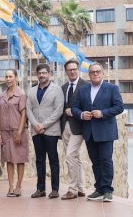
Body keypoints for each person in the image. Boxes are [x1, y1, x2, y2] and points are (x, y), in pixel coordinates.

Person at [72, 62, 124, 202]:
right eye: (92, 72)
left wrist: (103, 113)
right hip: (89, 132)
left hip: (106, 132)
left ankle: (107, 190)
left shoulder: (112, 88)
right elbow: (74, 108)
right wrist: (82, 115)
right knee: (95, 162)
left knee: (106, 161)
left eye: (98, 71)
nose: (95, 74)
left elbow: (119, 107)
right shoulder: (83, 90)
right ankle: (99, 189)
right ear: (88, 75)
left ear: (102, 73)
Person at [26, 63, 64, 199]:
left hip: (50, 130)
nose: (42, 75)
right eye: (39, 73)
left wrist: (44, 125)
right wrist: (36, 125)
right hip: (36, 131)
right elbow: (28, 109)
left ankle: (55, 189)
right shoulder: (31, 91)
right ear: (37, 75)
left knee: (53, 160)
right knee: (39, 160)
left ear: (49, 74)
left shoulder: (57, 89)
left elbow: (59, 110)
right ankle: (40, 189)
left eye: (44, 73)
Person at [0, 69, 28, 197]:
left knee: (20, 159)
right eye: (6, 77)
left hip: (17, 131)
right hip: (5, 132)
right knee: (8, 159)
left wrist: (19, 132)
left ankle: (19, 186)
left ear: (16, 77)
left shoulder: (21, 95)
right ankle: (10, 186)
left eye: (11, 76)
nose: (8, 79)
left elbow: (24, 114)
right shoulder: (2, 95)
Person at [60, 60, 87, 200]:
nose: (72, 72)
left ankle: (72, 189)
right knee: (75, 157)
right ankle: (81, 187)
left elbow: (89, 105)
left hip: (79, 126)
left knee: (70, 156)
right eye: (69, 70)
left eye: (74, 69)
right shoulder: (63, 87)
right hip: (65, 126)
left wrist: (75, 111)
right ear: (66, 71)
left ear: (78, 69)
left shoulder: (86, 85)